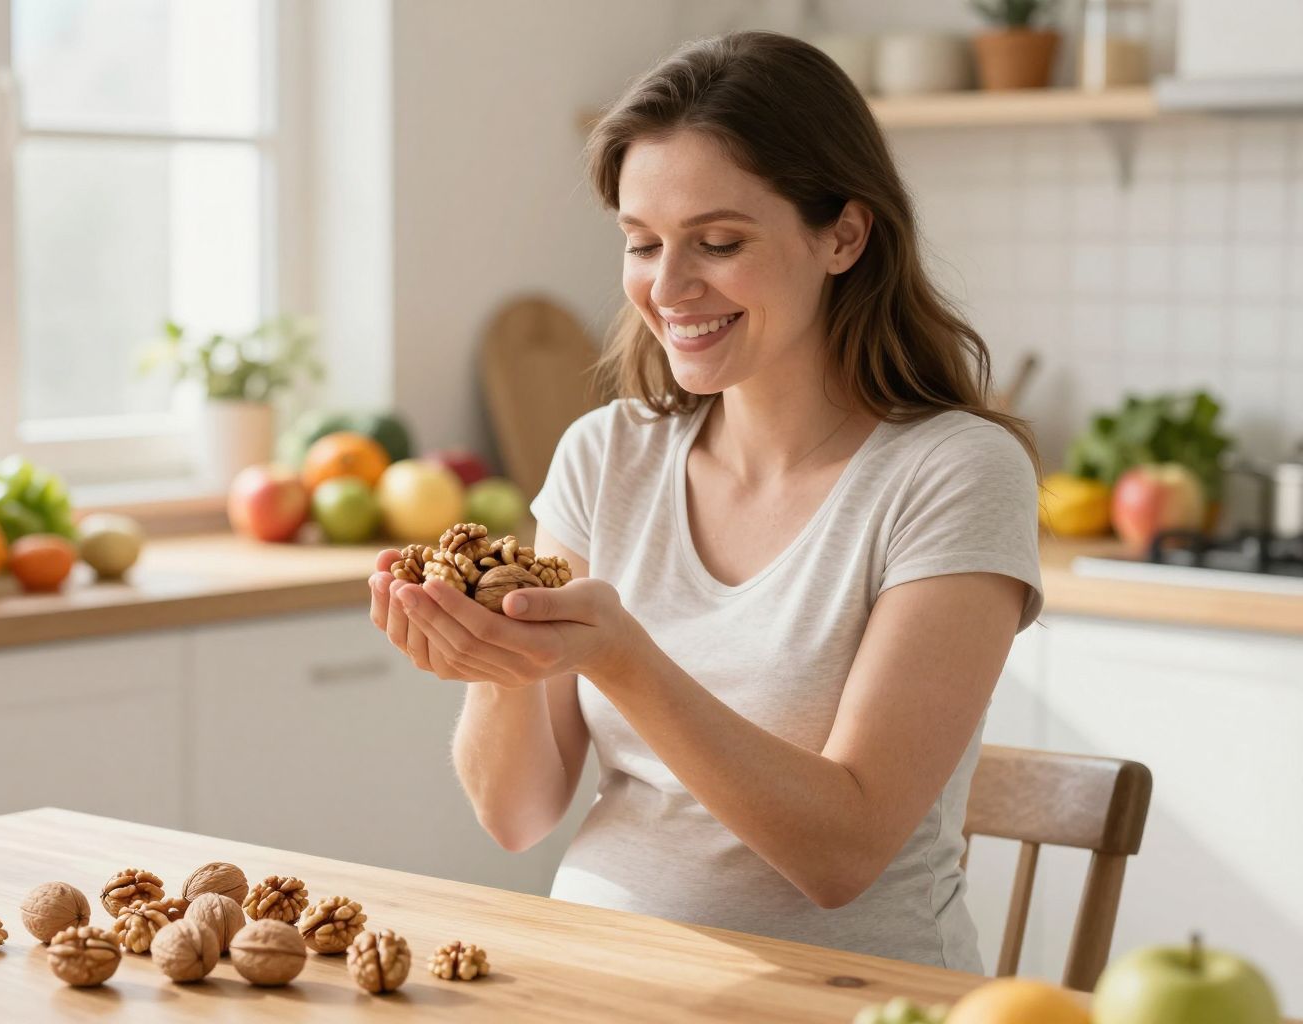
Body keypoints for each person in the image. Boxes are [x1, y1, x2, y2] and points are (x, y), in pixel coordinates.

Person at [366, 30, 1042, 972]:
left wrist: (619, 656)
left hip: (843, 995)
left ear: (844, 236)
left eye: (718, 243)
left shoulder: (955, 473)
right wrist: (500, 661)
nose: (669, 287)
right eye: (642, 243)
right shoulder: (607, 453)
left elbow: (842, 854)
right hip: (598, 975)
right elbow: (515, 816)